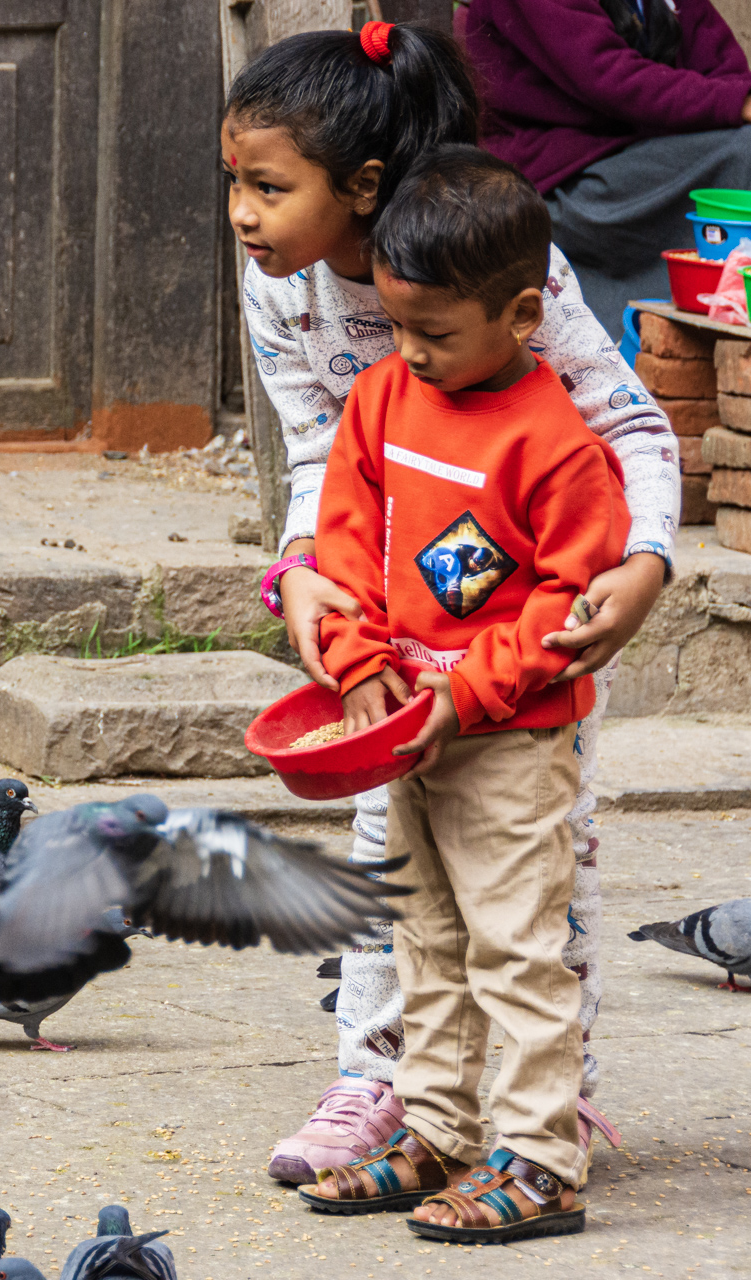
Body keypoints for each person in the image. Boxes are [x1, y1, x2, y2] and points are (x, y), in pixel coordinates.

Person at [222, 18, 674, 1185]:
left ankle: (542, 1113)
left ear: (362, 187)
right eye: (235, 184)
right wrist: (308, 580)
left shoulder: (491, 267)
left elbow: (626, 422)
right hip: (399, 628)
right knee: (395, 862)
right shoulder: (283, 288)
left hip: (532, 641)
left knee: (529, 885)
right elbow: (320, 449)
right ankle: (391, 1085)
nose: (242, 213)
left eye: (268, 186)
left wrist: (646, 568)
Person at [296, 143, 630, 1244]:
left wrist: (462, 695)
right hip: (407, 731)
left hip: (509, 743)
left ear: (524, 315)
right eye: (396, 327)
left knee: (517, 947)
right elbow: (343, 539)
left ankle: (539, 1156)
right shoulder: (387, 397)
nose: (410, 353)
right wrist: (356, 658)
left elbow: (565, 612)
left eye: (435, 332)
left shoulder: (557, 446)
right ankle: (437, 1127)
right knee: (424, 940)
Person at [466, 0, 751, 338]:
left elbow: (725, 68)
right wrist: (737, 103)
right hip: (567, 183)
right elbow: (609, 77)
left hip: (648, 155)